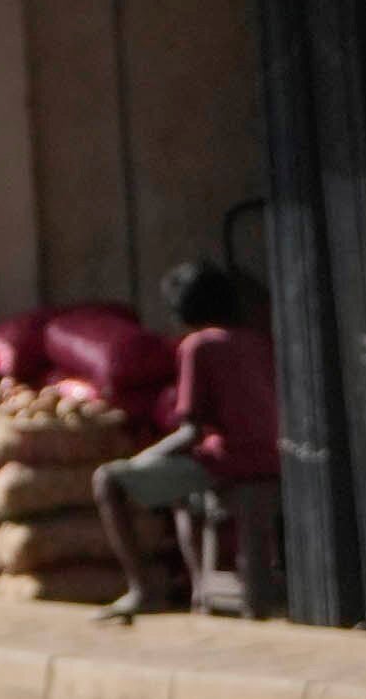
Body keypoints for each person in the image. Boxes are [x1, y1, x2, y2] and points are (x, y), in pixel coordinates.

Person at [96, 259, 282, 611]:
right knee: (183, 494)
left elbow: (191, 432)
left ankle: (143, 589)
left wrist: (139, 462)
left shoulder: (198, 346)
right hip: (271, 458)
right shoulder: (257, 342)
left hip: (232, 463)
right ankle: (199, 589)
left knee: (108, 481)